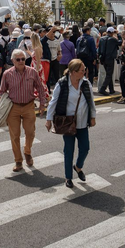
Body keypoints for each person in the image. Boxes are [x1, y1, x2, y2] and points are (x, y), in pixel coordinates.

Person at [45, 59, 97, 188]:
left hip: (83, 122)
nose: (84, 72)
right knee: (68, 151)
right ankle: (68, 177)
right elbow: (53, 102)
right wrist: (48, 119)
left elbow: (91, 101)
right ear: (73, 72)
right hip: (67, 123)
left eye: (84, 70)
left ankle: (78, 167)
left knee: (85, 148)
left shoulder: (85, 83)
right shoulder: (62, 84)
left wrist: (93, 116)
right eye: (82, 70)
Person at [0, 48, 47, 172]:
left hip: (29, 106)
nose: (21, 61)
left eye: (23, 59)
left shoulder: (32, 72)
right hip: (13, 107)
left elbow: (40, 88)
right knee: (15, 135)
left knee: (30, 132)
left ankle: (27, 151)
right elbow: (2, 91)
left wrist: (42, 104)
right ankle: (18, 161)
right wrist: (2, 109)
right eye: (18, 59)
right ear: (13, 60)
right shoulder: (7, 74)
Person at [97, 27, 119, 95]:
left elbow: (99, 48)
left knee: (108, 74)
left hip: (103, 58)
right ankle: (103, 88)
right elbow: (120, 43)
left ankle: (111, 89)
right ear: (112, 33)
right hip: (110, 58)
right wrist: (117, 35)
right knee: (109, 74)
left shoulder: (101, 39)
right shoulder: (113, 39)